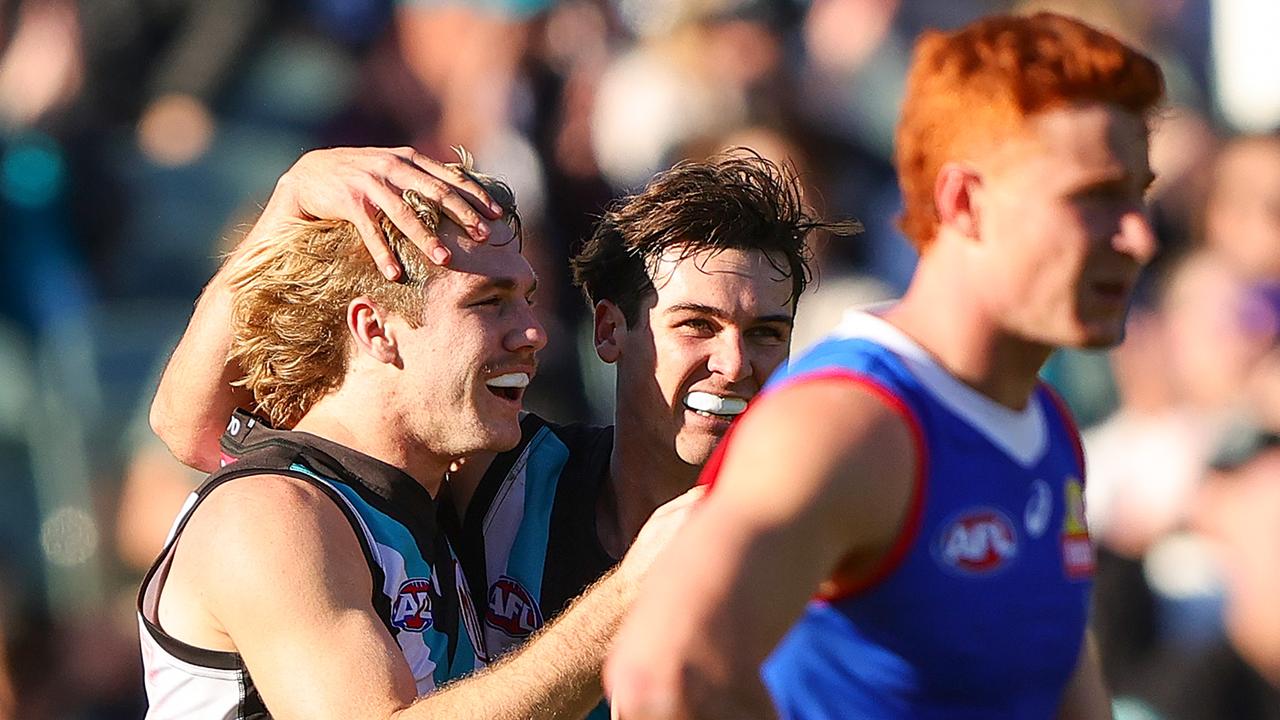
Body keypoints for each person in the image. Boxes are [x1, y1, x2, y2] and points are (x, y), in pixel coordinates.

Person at [149, 146, 856, 715]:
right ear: (612, 330)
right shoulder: (299, 513)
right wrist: (290, 201)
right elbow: (190, 424)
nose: (532, 333)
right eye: (489, 302)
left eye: (768, 332)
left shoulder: (431, 489)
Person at [605, 12, 1164, 719]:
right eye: (1094, 198)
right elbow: (662, 679)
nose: (1139, 237)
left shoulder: (1046, 424)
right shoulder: (846, 424)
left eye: (1140, 195)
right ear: (964, 202)